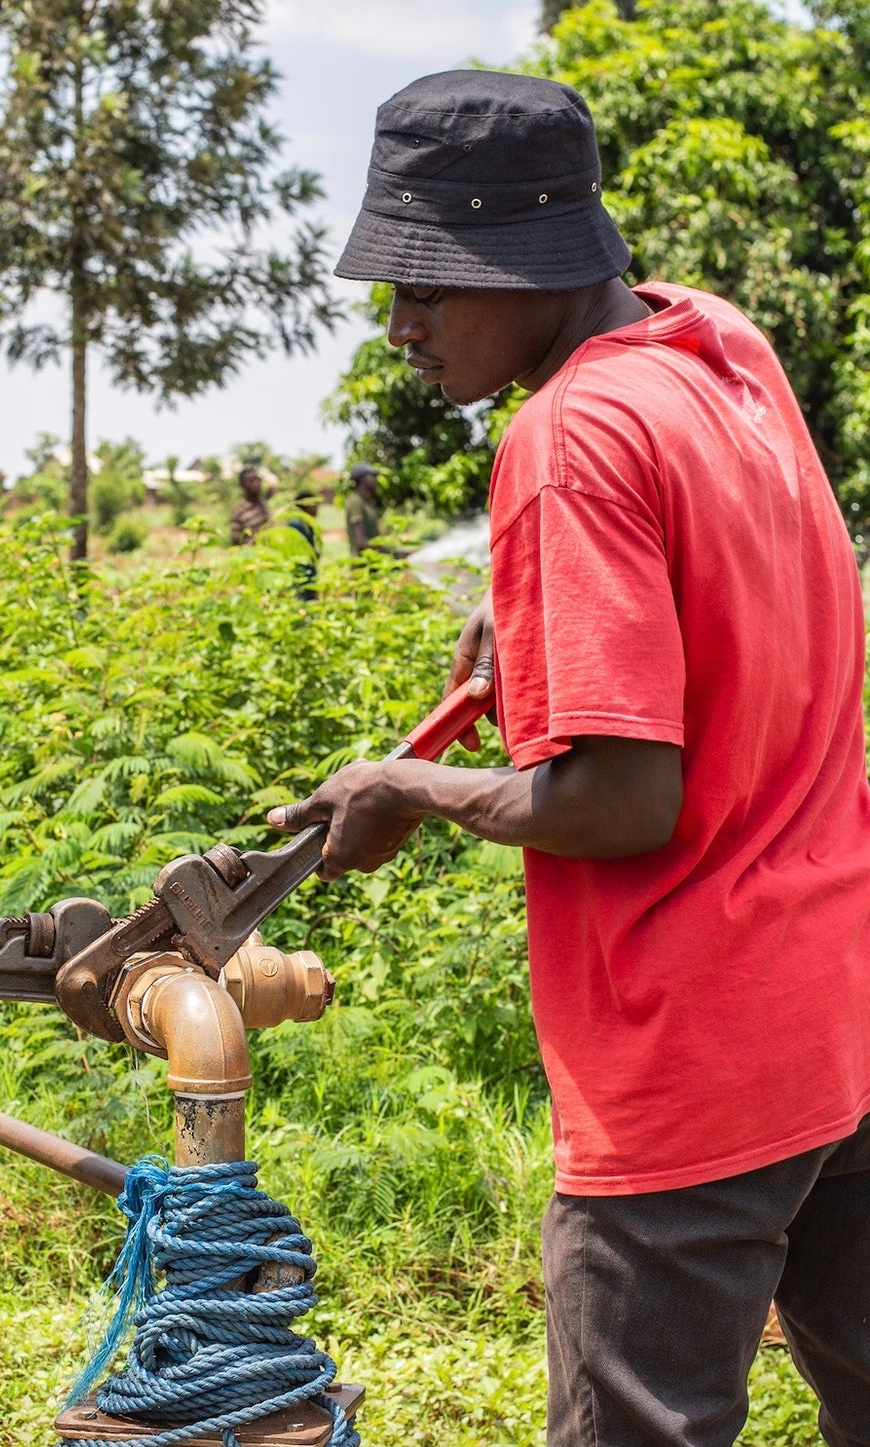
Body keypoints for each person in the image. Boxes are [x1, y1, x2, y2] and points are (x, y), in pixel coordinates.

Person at [268, 70, 870, 1447]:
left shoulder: (565, 438)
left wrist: (405, 784)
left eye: (428, 282)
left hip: (692, 1056)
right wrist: (528, 597)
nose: (400, 326)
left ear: (524, 261)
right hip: (837, 1015)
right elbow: (732, 585)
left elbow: (622, 797)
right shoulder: (715, 347)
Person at [342, 461, 383, 556]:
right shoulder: (355, 502)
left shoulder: (366, 502)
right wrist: (387, 552)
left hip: (373, 562)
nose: (376, 480)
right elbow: (361, 541)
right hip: (363, 565)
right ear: (364, 479)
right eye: (373, 476)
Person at [227, 465, 270, 544]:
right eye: (251, 481)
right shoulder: (238, 510)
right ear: (242, 485)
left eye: (257, 479)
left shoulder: (262, 503)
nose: (256, 484)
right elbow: (236, 541)